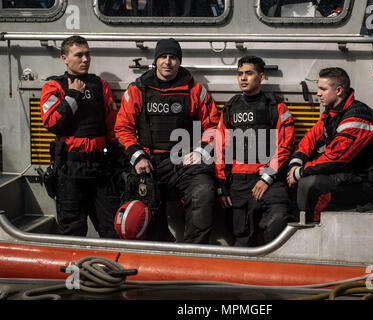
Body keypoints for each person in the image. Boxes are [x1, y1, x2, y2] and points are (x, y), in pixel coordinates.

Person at [115, 38, 219, 244]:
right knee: (144, 213)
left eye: (173, 57)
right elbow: (122, 128)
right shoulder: (138, 89)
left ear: (179, 61)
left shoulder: (194, 90)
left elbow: (213, 126)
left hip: (185, 164)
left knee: (204, 191)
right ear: (156, 60)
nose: (168, 62)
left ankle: (192, 252)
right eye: (163, 57)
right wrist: (138, 158)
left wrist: (200, 152)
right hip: (149, 164)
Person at [40, 35, 122, 238]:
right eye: (79, 55)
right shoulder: (54, 87)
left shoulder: (99, 85)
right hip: (70, 170)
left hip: (100, 168)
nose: (85, 59)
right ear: (64, 58)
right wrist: (72, 95)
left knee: (111, 229)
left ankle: (107, 269)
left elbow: (112, 125)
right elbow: (53, 123)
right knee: (72, 230)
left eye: (87, 54)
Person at [215, 55, 296, 247]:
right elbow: (220, 148)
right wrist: (222, 185)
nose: (243, 78)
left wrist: (267, 177)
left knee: (278, 219)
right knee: (241, 238)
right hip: (238, 183)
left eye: (249, 73)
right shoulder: (231, 108)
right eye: (240, 74)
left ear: (261, 77)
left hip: (270, 181)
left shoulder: (275, 106)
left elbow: (286, 144)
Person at [287, 67, 373, 223]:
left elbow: (335, 158)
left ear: (338, 90)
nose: (318, 93)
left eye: (323, 89)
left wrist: (299, 172)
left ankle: (310, 227)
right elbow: (309, 139)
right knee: (290, 170)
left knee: (310, 183)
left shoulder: (357, 117)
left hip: (363, 184)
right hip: (344, 176)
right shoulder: (331, 114)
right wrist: (295, 163)